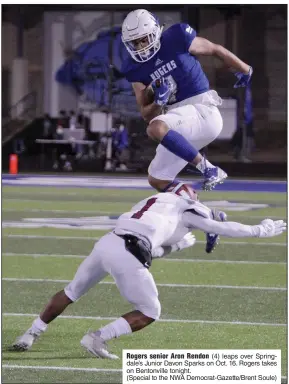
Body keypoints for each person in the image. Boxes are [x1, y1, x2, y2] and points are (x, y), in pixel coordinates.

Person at [12, 183, 286, 358]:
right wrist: (258, 231)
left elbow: (151, 248)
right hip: (129, 250)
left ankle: (31, 333)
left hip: (108, 241)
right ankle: (97, 338)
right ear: (189, 195)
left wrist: (176, 247)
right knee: (150, 311)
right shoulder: (187, 207)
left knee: (72, 291)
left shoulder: (152, 202)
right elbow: (220, 227)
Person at [121, 9, 253, 191]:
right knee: (158, 179)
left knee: (156, 128)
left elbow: (215, 48)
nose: (141, 46)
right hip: (178, 122)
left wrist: (245, 69)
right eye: (135, 43)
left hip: (202, 109)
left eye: (144, 39)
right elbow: (145, 113)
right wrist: (158, 101)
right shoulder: (133, 68)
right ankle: (204, 215)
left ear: (156, 32)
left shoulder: (176, 38)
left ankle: (208, 169)